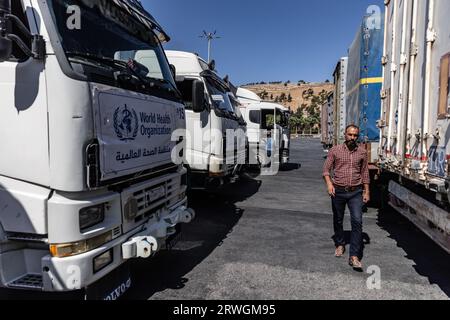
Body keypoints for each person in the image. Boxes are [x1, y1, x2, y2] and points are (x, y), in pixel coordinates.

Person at [322, 125, 370, 270]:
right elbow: (326, 169)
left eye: (355, 135)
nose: (352, 137)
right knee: (338, 219)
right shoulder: (335, 150)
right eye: (350, 135)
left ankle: (354, 256)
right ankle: (340, 244)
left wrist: (366, 191)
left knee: (357, 221)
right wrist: (329, 184)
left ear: (358, 136)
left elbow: (365, 173)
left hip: (356, 191)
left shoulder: (362, 152)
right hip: (338, 191)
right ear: (345, 134)